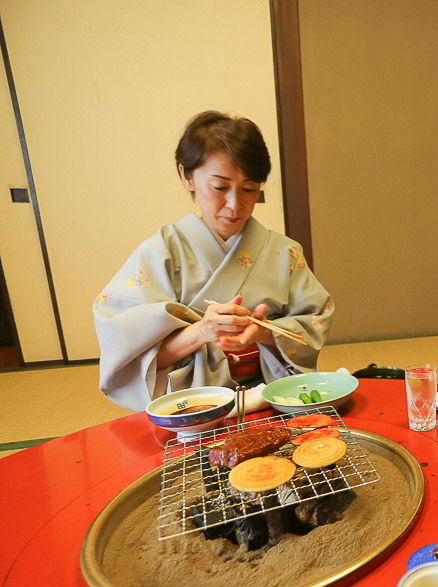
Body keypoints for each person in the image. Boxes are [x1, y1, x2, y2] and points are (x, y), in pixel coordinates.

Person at [93, 111, 334, 411]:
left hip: (272, 399)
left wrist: (263, 332)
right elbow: (126, 357)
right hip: (192, 409)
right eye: (220, 187)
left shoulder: (283, 253)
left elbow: (316, 320)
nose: (235, 204)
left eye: (249, 189)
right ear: (187, 176)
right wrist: (200, 333)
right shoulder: (161, 253)